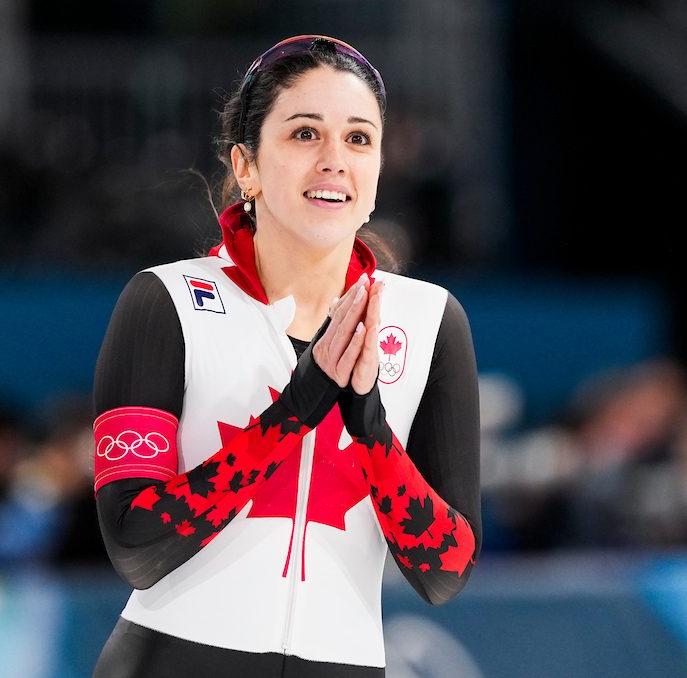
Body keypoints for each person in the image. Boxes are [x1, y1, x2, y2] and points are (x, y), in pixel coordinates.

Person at [91, 35, 482, 677]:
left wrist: (372, 431)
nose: (334, 160)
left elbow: (446, 573)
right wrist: (294, 412)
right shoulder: (168, 302)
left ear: (380, 169)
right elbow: (134, 545)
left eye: (359, 139)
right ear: (245, 166)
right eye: (305, 134)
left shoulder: (430, 321)